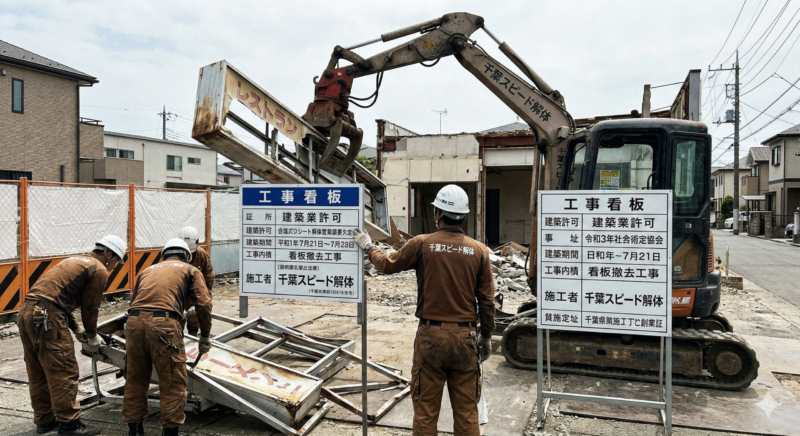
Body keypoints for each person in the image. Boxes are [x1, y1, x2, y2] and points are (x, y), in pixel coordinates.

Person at [352, 185, 495, 436]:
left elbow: (387, 265)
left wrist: (367, 246)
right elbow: (487, 301)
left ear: (437, 214)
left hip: (430, 338)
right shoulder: (479, 251)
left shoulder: (421, 244)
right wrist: (486, 337)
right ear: (463, 216)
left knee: (426, 413)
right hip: (466, 339)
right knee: (467, 414)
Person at [18, 235, 126, 435]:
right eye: (116, 263)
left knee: (38, 369)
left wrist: (76, 329)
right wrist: (92, 335)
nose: (113, 268)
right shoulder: (99, 269)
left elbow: (54, 299)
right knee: (63, 369)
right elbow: (90, 307)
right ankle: (70, 424)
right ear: (109, 255)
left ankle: (44, 420)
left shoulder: (73, 261)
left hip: (26, 313)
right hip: (49, 317)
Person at [122, 238, 212, 436]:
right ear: (186, 256)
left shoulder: (147, 270)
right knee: (172, 381)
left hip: (134, 323)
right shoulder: (190, 270)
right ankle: (169, 432)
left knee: (135, 379)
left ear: (163, 255)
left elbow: (135, 301)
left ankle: (135, 431)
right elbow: (204, 303)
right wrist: (205, 335)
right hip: (164, 325)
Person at [178, 226, 214, 337]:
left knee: (195, 318)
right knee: (177, 320)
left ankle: (193, 335)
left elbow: (208, 276)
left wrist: (206, 294)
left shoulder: (201, 255)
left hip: (195, 292)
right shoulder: (174, 254)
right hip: (179, 293)